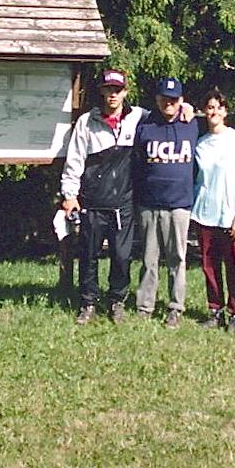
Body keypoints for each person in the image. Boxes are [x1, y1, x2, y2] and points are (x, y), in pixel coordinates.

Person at [60, 69, 147, 324]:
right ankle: (88, 303)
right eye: (108, 89)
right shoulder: (87, 121)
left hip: (123, 203)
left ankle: (116, 301)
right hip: (92, 202)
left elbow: (169, 118)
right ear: (102, 91)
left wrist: (185, 107)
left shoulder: (139, 117)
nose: (113, 94)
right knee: (88, 255)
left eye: (117, 90)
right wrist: (70, 195)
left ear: (125, 93)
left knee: (121, 256)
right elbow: (74, 159)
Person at [132, 76, 200, 329]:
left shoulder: (192, 124)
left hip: (179, 204)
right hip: (149, 203)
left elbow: (221, 126)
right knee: (149, 259)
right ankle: (145, 305)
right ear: (157, 100)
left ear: (181, 101)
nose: (168, 104)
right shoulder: (146, 124)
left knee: (177, 259)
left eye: (174, 100)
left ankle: (175, 307)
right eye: (164, 99)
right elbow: (136, 161)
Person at [190, 88, 235, 332]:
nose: (214, 111)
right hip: (205, 213)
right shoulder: (200, 143)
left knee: (234, 265)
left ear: (225, 111)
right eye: (210, 107)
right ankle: (215, 310)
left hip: (231, 216)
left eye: (218, 107)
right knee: (209, 265)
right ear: (204, 111)